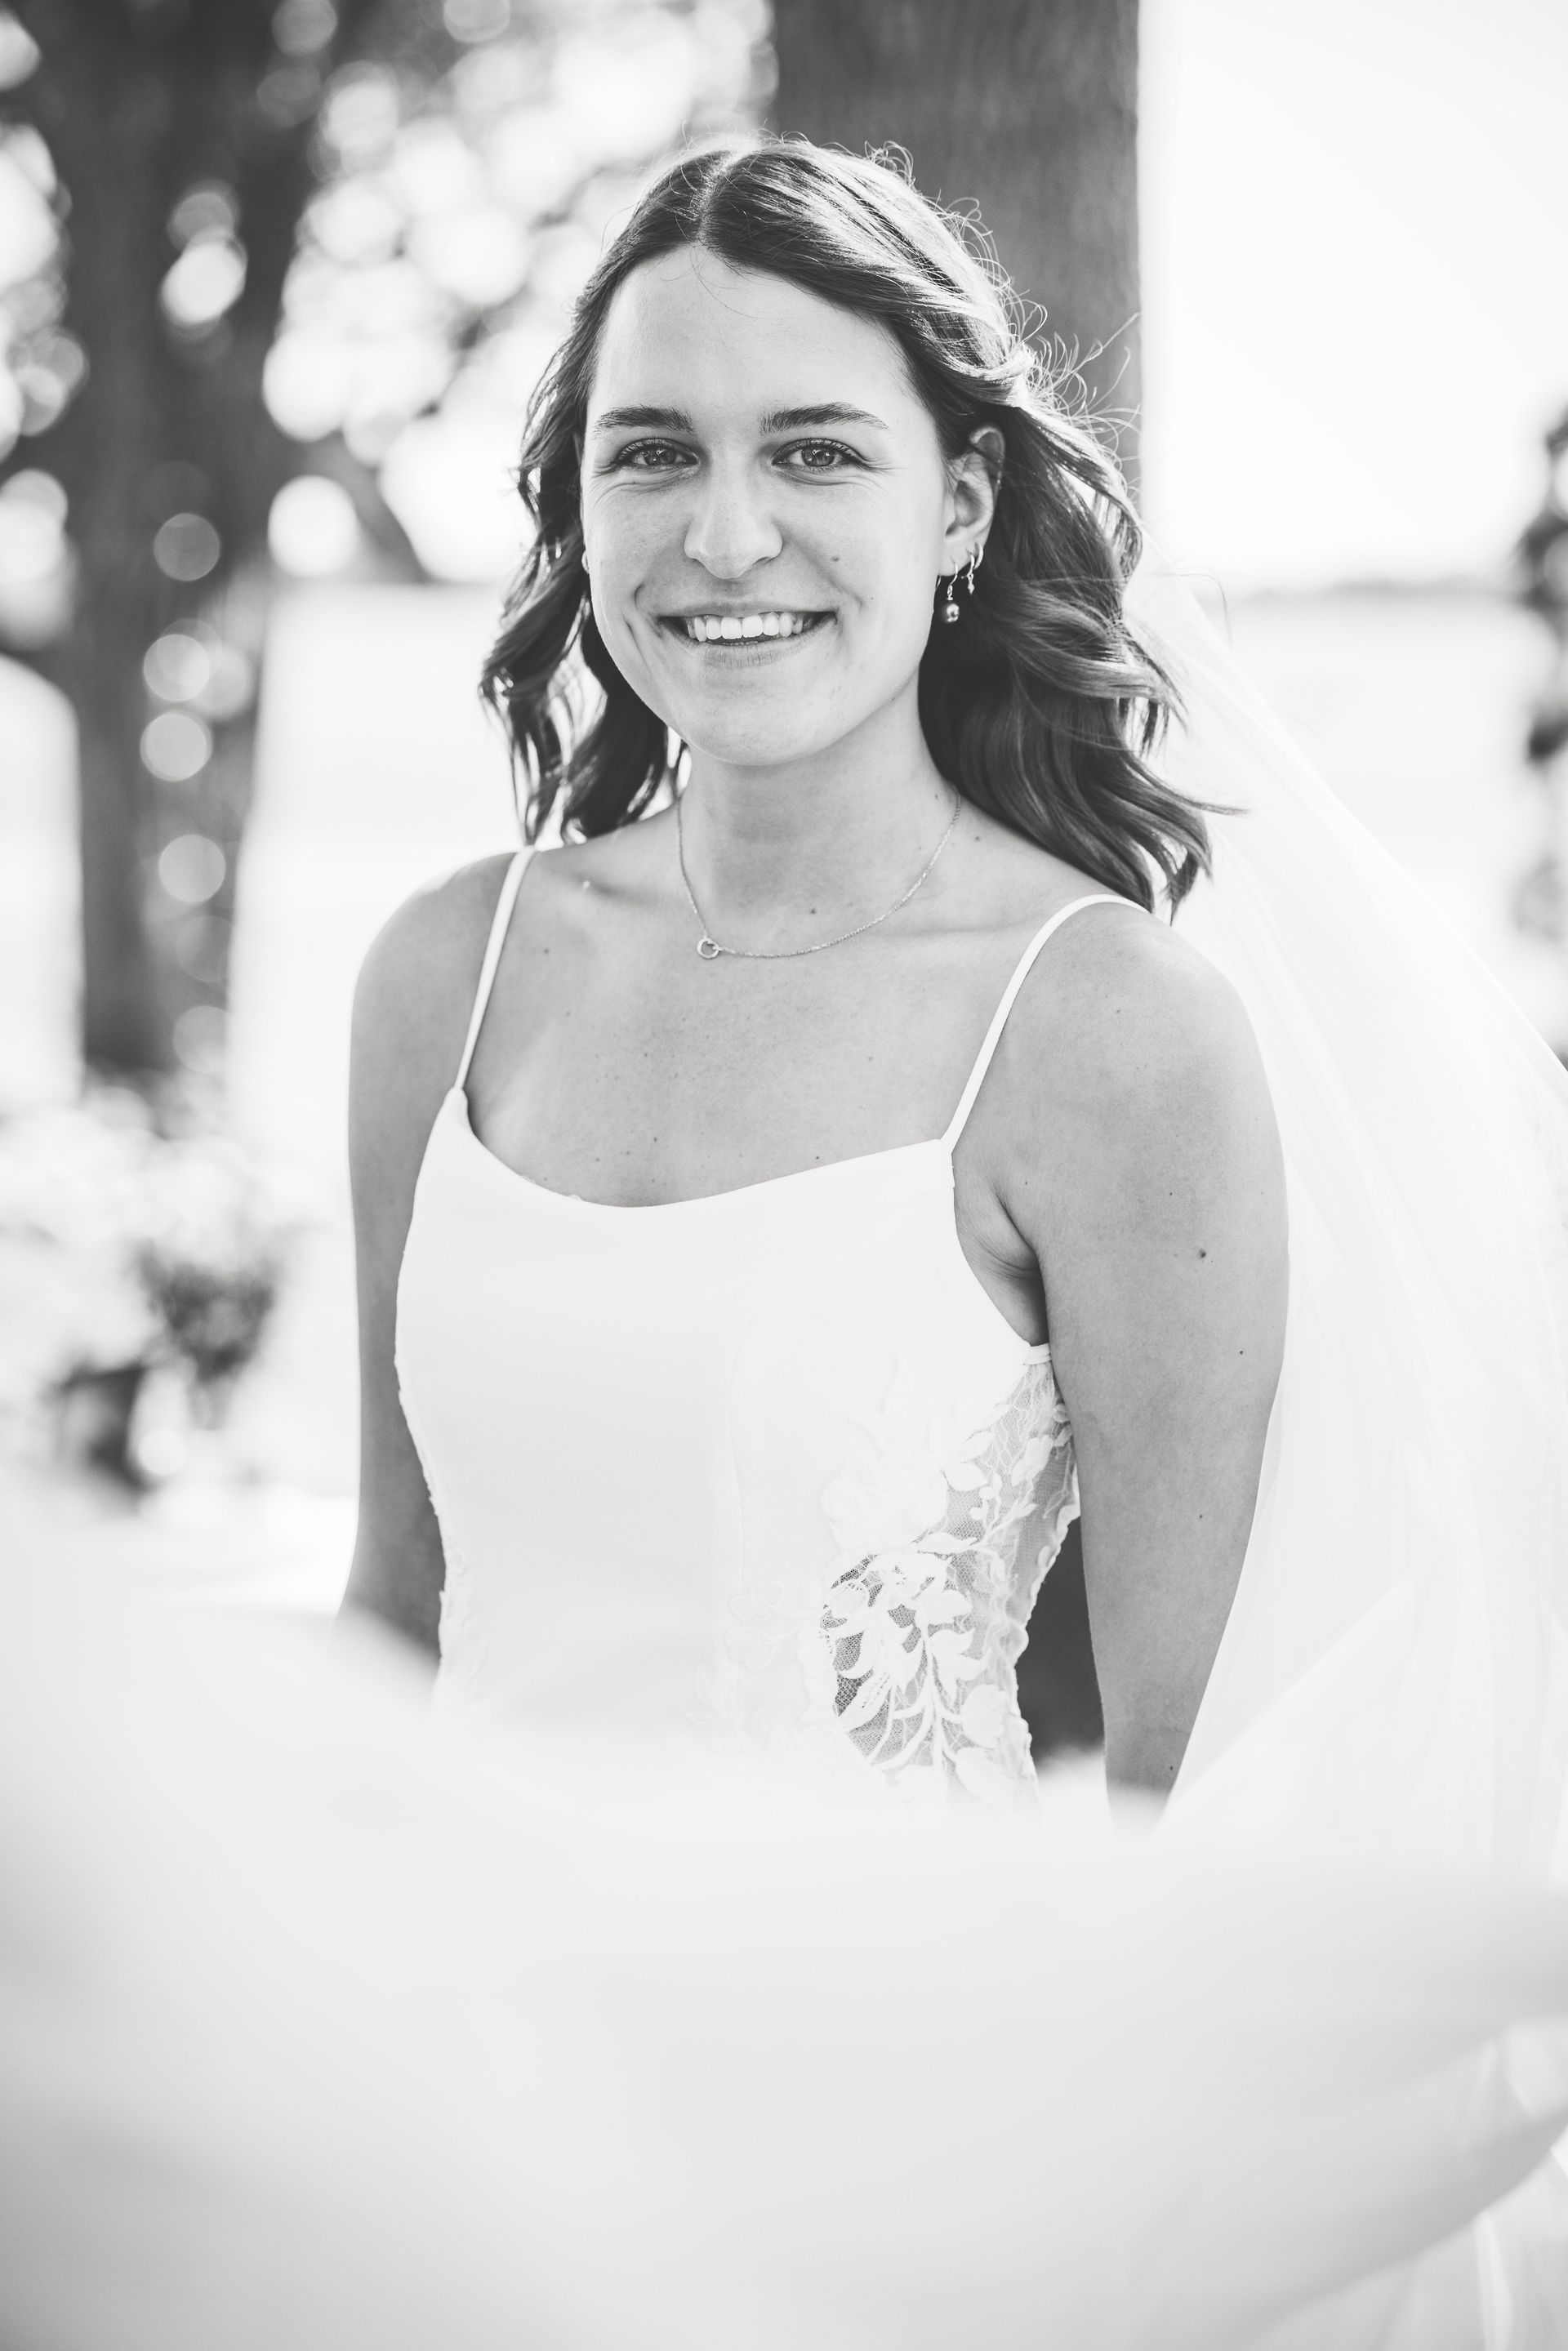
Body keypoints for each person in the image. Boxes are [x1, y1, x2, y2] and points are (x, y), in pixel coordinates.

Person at [345, 139, 1290, 1806]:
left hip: (900, 2035)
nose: (724, 535)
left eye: (815, 452)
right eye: (653, 453)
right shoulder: (449, 975)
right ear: (582, 501)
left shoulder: (1108, 1033)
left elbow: (1185, 1783)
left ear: (964, 506)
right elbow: (389, 1628)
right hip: (464, 2028)